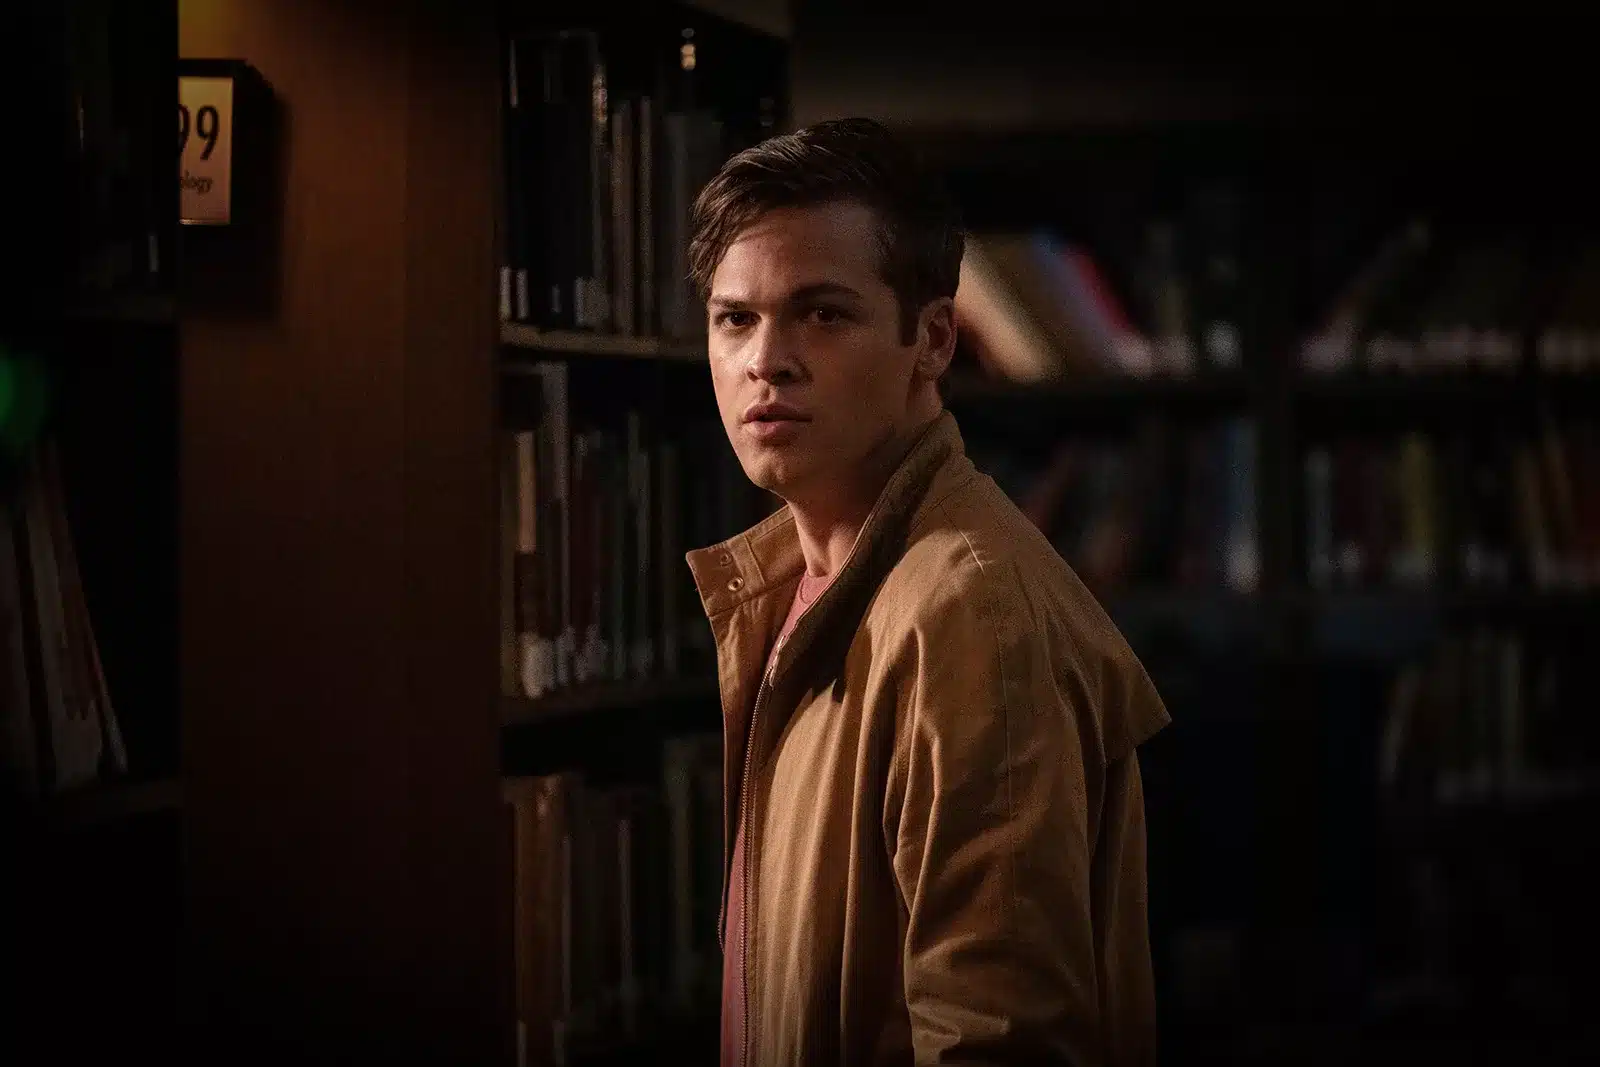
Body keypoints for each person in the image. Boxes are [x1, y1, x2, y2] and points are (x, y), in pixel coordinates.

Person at [684, 117, 1170, 1067]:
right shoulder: (804, 580)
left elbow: (1002, 1043)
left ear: (935, 339)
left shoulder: (969, 617)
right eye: (735, 318)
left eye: (823, 314)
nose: (766, 359)